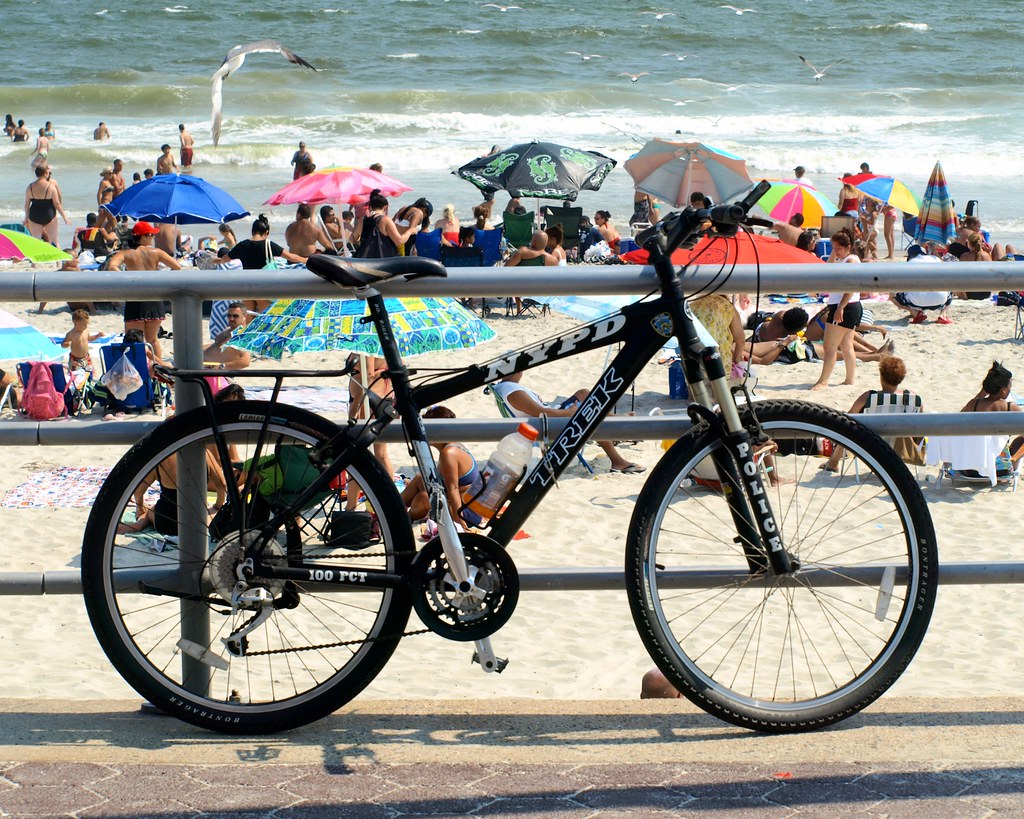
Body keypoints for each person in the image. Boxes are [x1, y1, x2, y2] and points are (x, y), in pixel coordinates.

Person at [491, 370, 645, 474]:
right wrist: (569, 413)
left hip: (548, 420)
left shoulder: (506, 387)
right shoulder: (511, 390)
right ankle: (617, 460)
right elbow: (541, 413)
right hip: (548, 426)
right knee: (589, 416)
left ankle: (614, 420)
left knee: (584, 394)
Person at [822, 356, 919, 472]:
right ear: (901, 378)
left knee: (846, 425)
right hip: (903, 449)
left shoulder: (869, 397)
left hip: (871, 446)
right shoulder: (913, 398)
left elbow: (849, 417)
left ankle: (833, 463)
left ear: (881, 377)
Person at [400, 405, 486, 530]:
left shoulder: (449, 453)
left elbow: (453, 489)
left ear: (437, 431)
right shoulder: (453, 444)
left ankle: (404, 520)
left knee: (423, 498)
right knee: (420, 478)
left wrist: (460, 522)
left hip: (465, 512)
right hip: (460, 502)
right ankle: (394, 508)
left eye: (426, 429)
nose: (423, 433)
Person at [105, 221, 181, 361]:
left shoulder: (126, 253)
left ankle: (137, 367)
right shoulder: (156, 252)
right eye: (151, 235)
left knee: (133, 340)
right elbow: (177, 267)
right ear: (143, 237)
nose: (153, 237)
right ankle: (158, 368)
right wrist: (162, 279)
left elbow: (111, 266)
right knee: (153, 339)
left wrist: (127, 279)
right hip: (154, 298)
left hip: (136, 297)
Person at [810, 231, 861, 390]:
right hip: (848, 306)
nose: (836, 251)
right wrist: (834, 251)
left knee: (829, 347)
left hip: (846, 306)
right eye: (833, 247)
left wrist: (841, 307)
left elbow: (851, 286)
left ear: (848, 247)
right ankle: (850, 380)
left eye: (838, 248)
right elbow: (828, 268)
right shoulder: (845, 260)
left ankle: (823, 381)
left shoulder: (850, 261)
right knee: (846, 345)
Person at [228, 214, 306, 311]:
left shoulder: (242, 245)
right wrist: (306, 260)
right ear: (267, 232)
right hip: (263, 286)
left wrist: (217, 260)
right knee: (262, 317)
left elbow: (226, 258)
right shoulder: (268, 244)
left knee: (248, 317)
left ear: (252, 231)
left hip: (247, 285)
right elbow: (291, 257)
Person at [959, 361, 1024, 476]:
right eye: (1010, 384)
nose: (1011, 387)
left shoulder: (974, 404)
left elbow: (957, 420)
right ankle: (1012, 460)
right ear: (1003, 390)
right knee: (1021, 439)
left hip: (970, 469)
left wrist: (981, 394)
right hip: (1000, 469)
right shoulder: (1011, 408)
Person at [352, 190, 418, 259]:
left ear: (370, 207)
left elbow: (353, 239)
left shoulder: (362, 220)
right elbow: (399, 241)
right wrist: (410, 231)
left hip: (364, 260)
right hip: (383, 261)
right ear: (385, 207)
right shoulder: (385, 220)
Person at [504, 231, 556, 316]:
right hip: (542, 292)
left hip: (520, 288)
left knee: (516, 278)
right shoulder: (553, 260)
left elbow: (507, 266)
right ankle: (544, 310)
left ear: (533, 242)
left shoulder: (523, 252)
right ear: (546, 243)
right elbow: (554, 279)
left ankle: (519, 308)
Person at [23, 165, 69, 246]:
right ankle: (57, 255)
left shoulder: (30, 187)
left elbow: (27, 204)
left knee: (36, 241)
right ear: (46, 173)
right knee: (54, 241)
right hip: (49, 215)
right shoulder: (50, 186)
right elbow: (57, 203)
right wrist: (64, 217)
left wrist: (26, 218)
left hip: (34, 215)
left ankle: (36, 254)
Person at [203, 302, 251, 369]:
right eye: (229, 315)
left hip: (211, 368)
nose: (231, 319)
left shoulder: (243, 335)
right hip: (203, 363)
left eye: (235, 316)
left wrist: (221, 367)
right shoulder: (230, 329)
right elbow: (216, 343)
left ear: (244, 317)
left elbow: (245, 362)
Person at [61, 309, 102, 375]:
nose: (86, 326)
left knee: (89, 373)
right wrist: (65, 344)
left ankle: (89, 379)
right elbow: (63, 344)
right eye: (84, 324)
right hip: (75, 359)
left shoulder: (86, 330)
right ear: (75, 323)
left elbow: (90, 339)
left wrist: (98, 335)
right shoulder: (71, 334)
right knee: (75, 375)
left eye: (87, 324)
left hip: (86, 357)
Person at [96, 166, 117, 231]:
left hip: (109, 203)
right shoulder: (103, 182)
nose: (111, 174)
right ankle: (115, 234)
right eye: (110, 173)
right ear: (105, 174)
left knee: (101, 222)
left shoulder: (109, 182)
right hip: (105, 204)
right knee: (113, 220)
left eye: (112, 173)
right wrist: (100, 206)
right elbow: (99, 194)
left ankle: (104, 234)